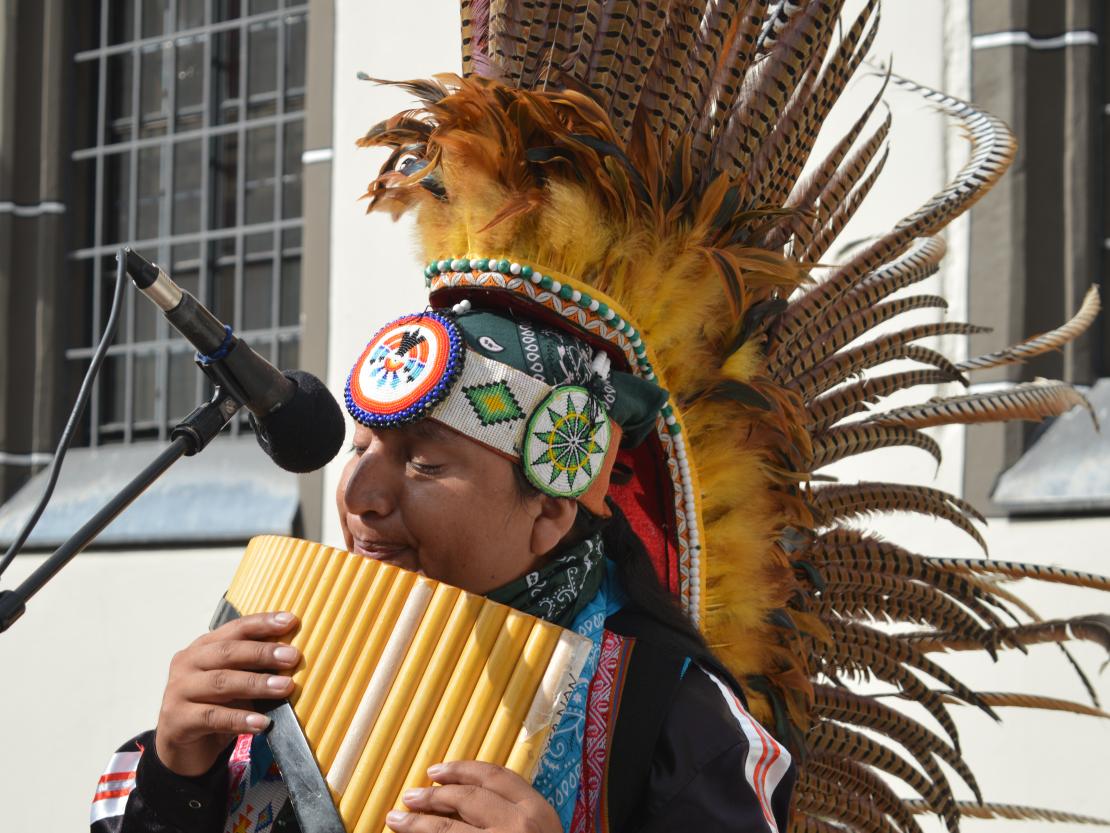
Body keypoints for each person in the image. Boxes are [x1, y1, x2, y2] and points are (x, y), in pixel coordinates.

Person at [91, 308, 794, 833]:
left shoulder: (676, 716)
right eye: (358, 447)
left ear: (548, 511)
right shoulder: (291, 628)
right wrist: (178, 772)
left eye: (424, 462)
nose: (360, 496)